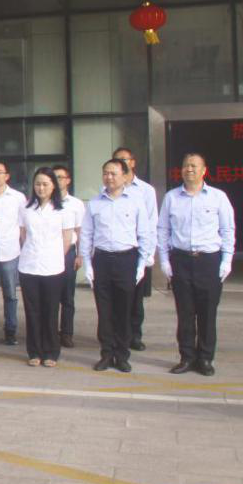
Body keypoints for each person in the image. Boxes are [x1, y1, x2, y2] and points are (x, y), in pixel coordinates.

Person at [158, 152, 235, 377]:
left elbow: (228, 230)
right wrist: (164, 260)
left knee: (207, 313)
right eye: (185, 166)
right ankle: (187, 357)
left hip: (208, 261)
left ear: (204, 170)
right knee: (185, 313)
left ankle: (205, 359)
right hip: (181, 260)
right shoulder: (171, 197)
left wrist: (226, 260)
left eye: (193, 166)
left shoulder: (218, 197)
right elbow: (162, 230)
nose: (189, 169)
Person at [79, 159, 154, 373]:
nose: (109, 177)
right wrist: (88, 264)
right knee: (104, 311)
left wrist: (141, 264)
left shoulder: (136, 202)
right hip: (102, 259)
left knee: (124, 310)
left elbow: (145, 234)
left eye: (113, 173)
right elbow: (86, 235)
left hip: (126, 259)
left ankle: (121, 355)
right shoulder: (94, 203)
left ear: (124, 176)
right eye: (106, 173)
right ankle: (106, 354)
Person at [18, 168, 77, 368]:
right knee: (32, 311)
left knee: (50, 310)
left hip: (53, 267)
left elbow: (67, 239)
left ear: (53, 186)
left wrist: (53, 256)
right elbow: (23, 235)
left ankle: (51, 351)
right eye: (37, 184)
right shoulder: (26, 208)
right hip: (29, 266)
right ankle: (34, 351)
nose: (41, 188)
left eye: (45, 184)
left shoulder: (63, 210)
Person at [114, 146, 158, 351]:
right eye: (117, 159)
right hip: (115, 251)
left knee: (135, 299)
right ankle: (116, 335)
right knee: (116, 298)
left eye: (124, 159)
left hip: (137, 251)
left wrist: (149, 253)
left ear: (133, 162)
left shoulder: (146, 190)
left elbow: (152, 222)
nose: (121, 162)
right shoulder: (107, 188)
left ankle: (134, 335)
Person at [0, 160, 26, 346]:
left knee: (10, 294)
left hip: (10, 252)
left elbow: (23, 225)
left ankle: (11, 330)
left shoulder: (18, 197)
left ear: (7, 176)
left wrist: (24, 249)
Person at [51, 164, 84, 348]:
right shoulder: (46, 201)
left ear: (68, 180)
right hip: (49, 251)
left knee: (67, 296)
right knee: (51, 295)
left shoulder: (76, 204)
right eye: (54, 177)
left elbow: (80, 231)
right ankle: (51, 332)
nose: (57, 181)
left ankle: (67, 333)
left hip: (69, 252)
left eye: (60, 177)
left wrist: (80, 255)